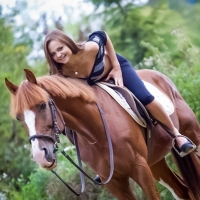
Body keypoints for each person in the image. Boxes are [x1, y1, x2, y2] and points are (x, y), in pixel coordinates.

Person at [43, 29, 196, 158]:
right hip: (95, 84)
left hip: (116, 69)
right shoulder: (60, 72)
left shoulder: (89, 48)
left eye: (60, 48)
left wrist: (116, 67)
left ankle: (177, 136)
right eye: (53, 54)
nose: (59, 55)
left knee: (144, 97)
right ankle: (104, 160)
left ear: (68, 44)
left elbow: (102, 35)